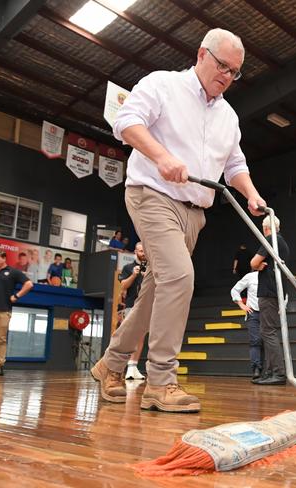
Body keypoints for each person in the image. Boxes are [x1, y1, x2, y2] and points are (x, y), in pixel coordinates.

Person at [91, 28, 266, 413]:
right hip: (152, 195)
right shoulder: (163, 85)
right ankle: (160, 382)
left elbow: (235, 164)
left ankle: (111, 364)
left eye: (235, 72)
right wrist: (161, 155)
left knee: (157, 291)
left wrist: (251, 194)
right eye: (222, 66)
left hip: (194, 213)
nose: (227, 76)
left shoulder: (228, 116)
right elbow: (127, 121)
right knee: (180, 277)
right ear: (201, 54)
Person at [250, 215, 289, 386]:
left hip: (269, 292)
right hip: (275, 291)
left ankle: (278, 373)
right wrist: (258, 265)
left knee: (268, 332)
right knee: (267, 331)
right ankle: (270, 372)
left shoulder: (271, 239)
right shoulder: (281, 242)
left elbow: (253, 263)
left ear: (265, 228)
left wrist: (257, 265)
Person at [118, 242, 147, 380]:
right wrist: (134, 275)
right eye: (141, 251)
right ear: (135, 251)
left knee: (141, 337)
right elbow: (123, 285)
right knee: (129, 336)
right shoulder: (127, 267)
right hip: (131, 305)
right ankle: (124, 367)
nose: (143, 253)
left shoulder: (150, 268)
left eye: (144, 251)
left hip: (145, 305)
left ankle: (133, 366)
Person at [230, 270, 262, 380]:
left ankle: (270, 370)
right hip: (253, 313)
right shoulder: (251, 276)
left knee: (269, 342)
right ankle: (256, 369)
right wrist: (241, 304)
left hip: (268, 313)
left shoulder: (272, 275)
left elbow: (284, 295)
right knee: (255, 341)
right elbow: (235, 290)